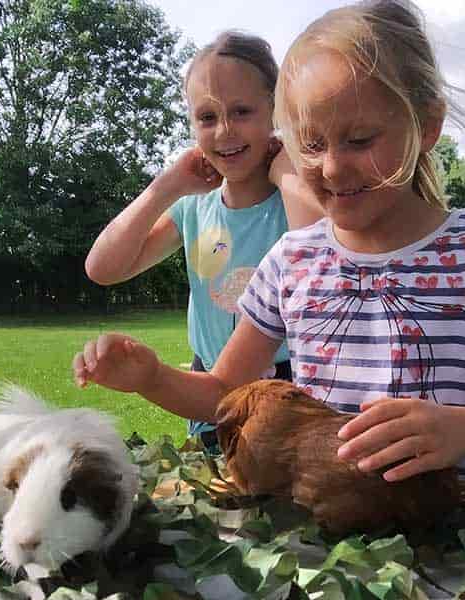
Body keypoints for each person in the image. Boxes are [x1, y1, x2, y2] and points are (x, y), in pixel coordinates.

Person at [75, 0, 465, 482]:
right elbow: (224, 389)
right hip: (332, 535)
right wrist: (151, 378)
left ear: (426, 126)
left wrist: (463, 431)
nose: (331, 167)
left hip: (463, 539)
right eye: (311, 144)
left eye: (360, 140)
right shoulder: (291, 260)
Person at [84, 31, 321, 453]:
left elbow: (323, 251)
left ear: (276, 110)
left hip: (285, 389)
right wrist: (166, 187)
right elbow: (103, 268)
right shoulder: (195, 209)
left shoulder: (293, 201)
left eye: (242, 111)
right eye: (207, 118)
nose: (225, 131)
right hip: (204, 386)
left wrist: (287, 168)